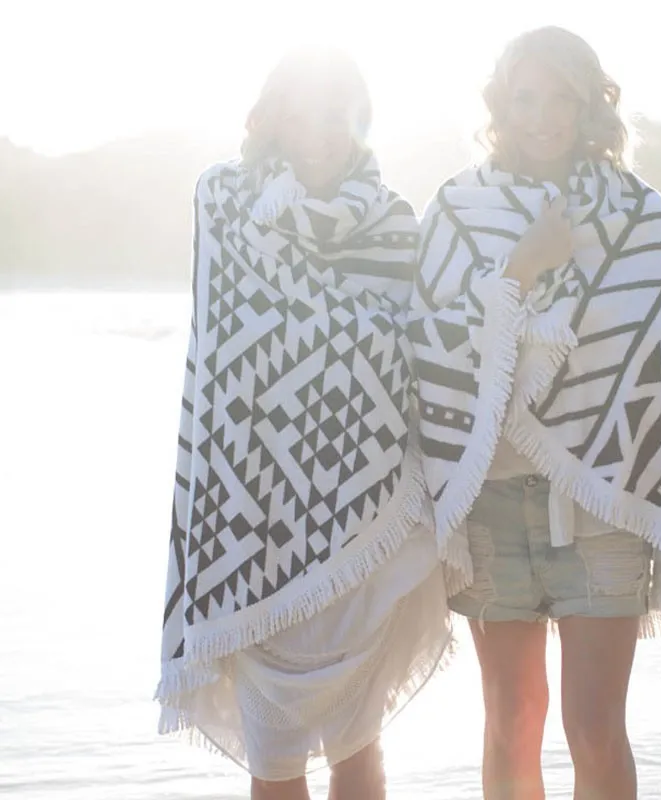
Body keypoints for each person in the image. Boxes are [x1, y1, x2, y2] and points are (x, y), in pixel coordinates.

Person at [409, 26, 661, 800]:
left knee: (593, 728)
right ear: (499, 106)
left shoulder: (641, 217)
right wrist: (520, 270)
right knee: (511, 721)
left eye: (560, 98)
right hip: (491, 507)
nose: (542, 116)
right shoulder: (456, 209)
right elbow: (425, 346)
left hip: (601, 502)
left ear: (590, 106)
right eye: (525, 98)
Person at [155, 46, 451, 800]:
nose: (318, 130)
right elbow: (241, 335)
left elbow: (423, 342)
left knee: (360, 749)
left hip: (366, 514)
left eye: (335, 113)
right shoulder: (225, 199)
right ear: (271, 117)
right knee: (275, 758)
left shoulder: (393, 223)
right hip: (250, 515)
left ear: (360, 121)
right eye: (301, 111)